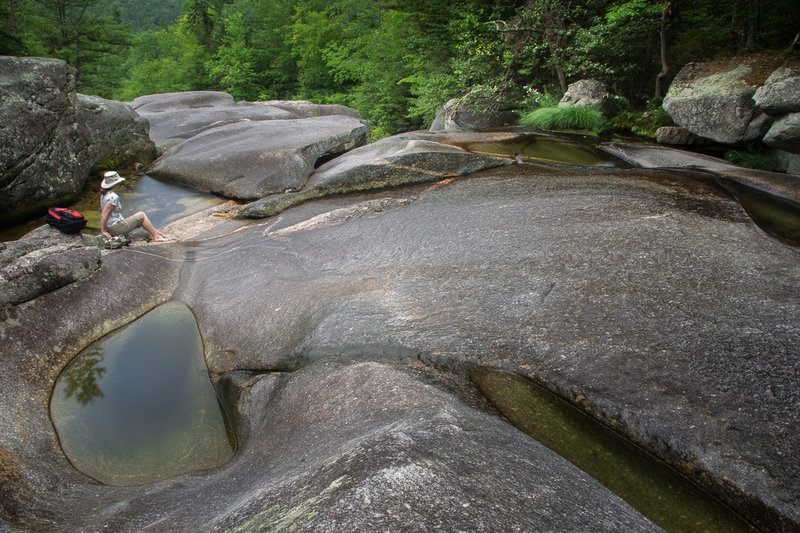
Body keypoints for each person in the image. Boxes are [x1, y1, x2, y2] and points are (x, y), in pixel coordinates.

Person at [99, 171, 172, 243]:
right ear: (115, 184)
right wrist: (103, 231)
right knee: (142, 215)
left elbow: (104, 213)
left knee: (140, 221)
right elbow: (104, 214)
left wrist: (105, 229)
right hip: (116, 228)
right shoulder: (113, 197)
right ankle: (157, 237)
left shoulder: (104, 195)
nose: (119, 183)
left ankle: (156, 232)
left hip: (113, 227)